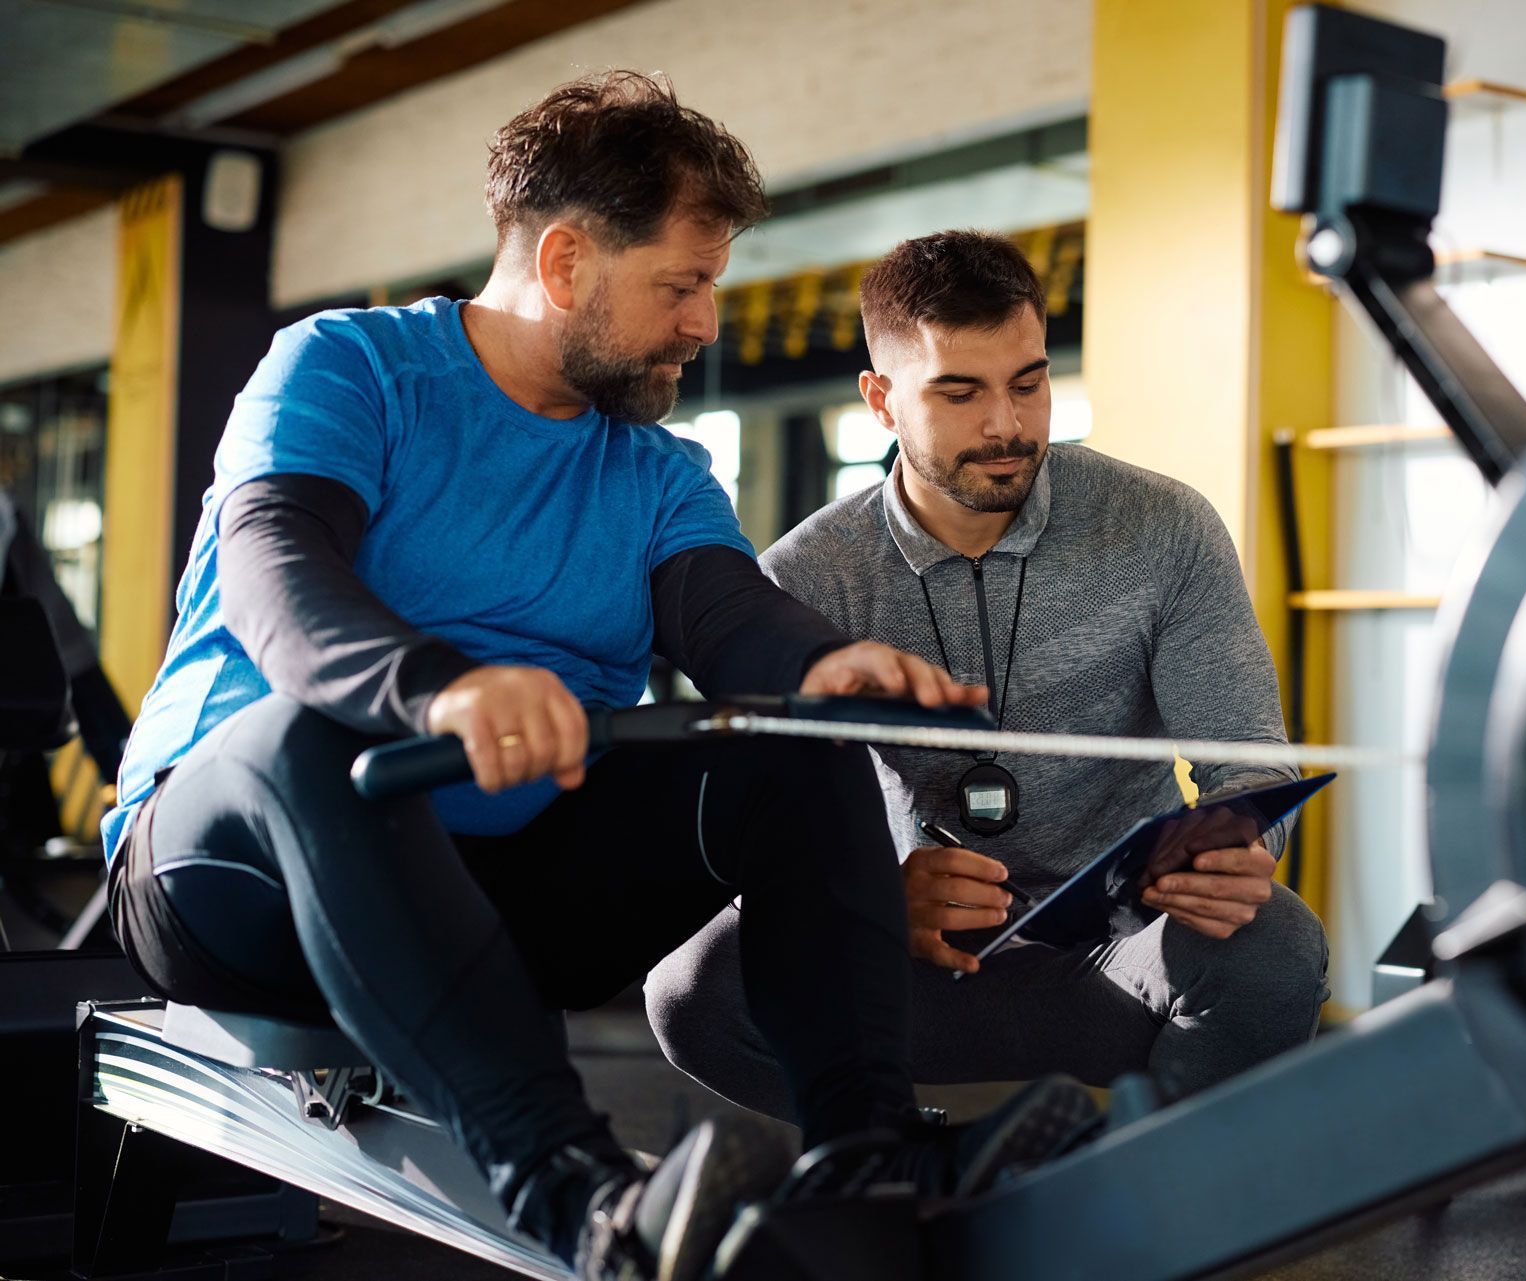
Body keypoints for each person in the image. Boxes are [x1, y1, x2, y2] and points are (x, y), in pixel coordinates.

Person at [100, 82, 1090, 1281]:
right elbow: (277, 577)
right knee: (304, 742)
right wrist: (439, 690)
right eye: (682, 286)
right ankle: (574, 1196)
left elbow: (729, 619)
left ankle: (869, 1159)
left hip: (514, 897)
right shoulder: (348, 371)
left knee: (792, 742)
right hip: (236, 884)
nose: (706, 325)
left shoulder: (658, 471)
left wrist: (826, 665)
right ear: (566, 262)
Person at [648, 231, 1330, 1116]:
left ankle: (1150, 1185)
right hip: (908, 964)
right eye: (960, 392)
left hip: (1120, 955)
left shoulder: (1164, 526)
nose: (1007, 425)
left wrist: (1242, 848)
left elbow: (1247, 757)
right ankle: (911, 1159)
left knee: (1275, 942)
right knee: (697, 993)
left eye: (1029, 381)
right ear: (882, 401)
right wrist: (876, 891)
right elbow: (768, 831)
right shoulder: (804, 578)